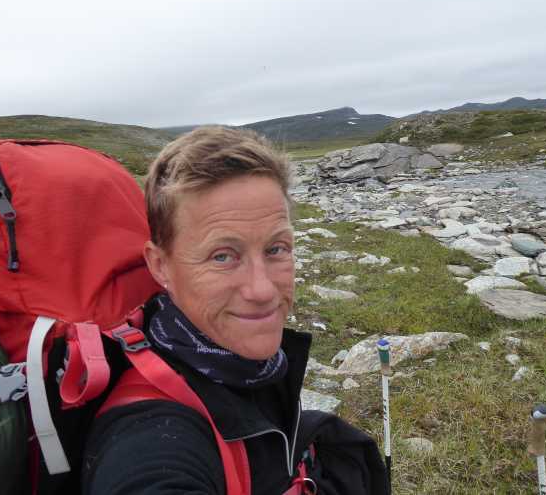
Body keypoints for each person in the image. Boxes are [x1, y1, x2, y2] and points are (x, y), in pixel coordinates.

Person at [81, 127, 386, 494]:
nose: (262, 290)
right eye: (223, 256)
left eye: (276, 249)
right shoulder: (150, 438)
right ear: (160, 266)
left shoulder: (244, 366)